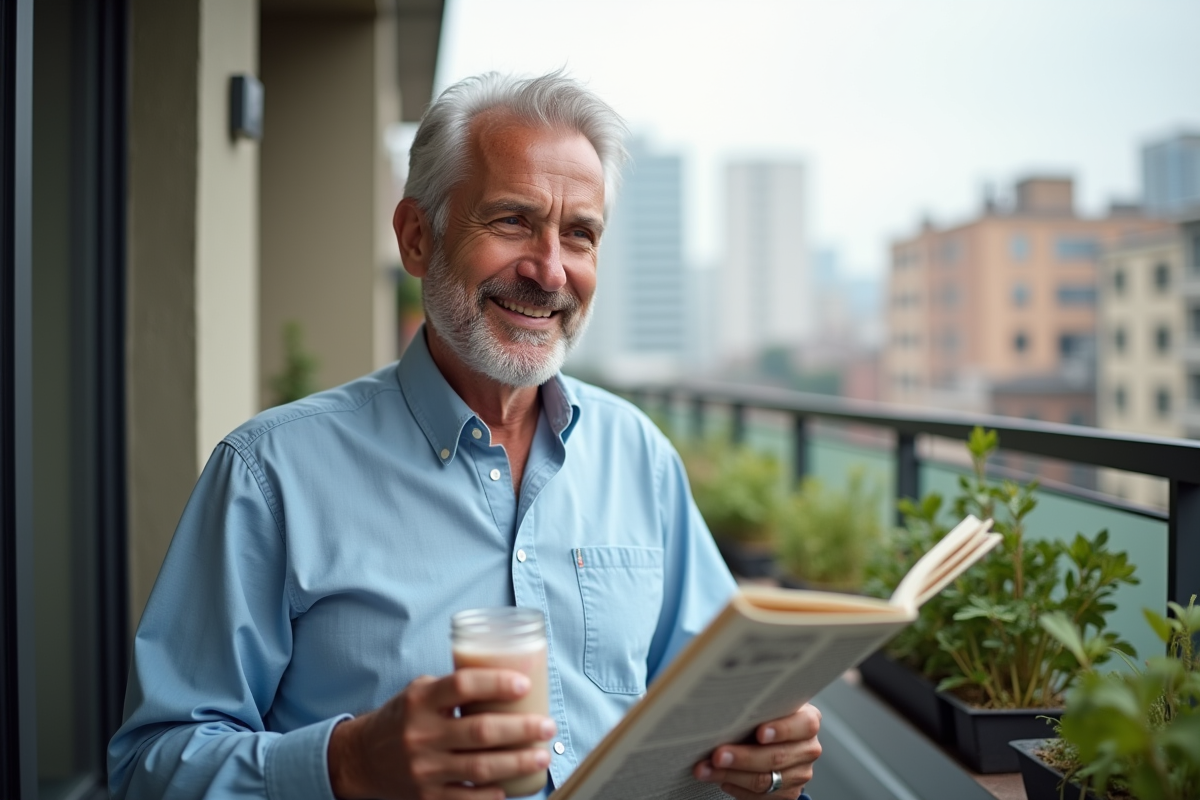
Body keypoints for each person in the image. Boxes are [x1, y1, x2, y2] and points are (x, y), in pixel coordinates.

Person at [109, 71, 821, 800]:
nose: (549, 271)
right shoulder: (269, 473)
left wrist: (765, 750)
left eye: (579, 234)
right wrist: (345, 766)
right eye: (513, 221)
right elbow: (149, 768)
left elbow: (711, 696)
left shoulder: (638, 455)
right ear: (418, 238)